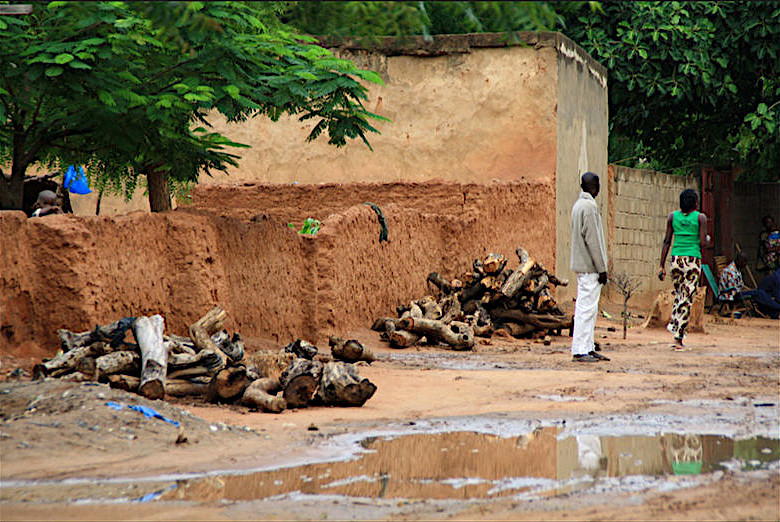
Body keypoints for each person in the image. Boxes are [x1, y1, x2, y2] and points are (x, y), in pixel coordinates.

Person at [658, 188, 710, 350]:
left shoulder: (673, 217)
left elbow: (666, 241)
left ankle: (675, 327)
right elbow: (702, 243)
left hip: (676, 260)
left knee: (680, 295)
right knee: (686, 299)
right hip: (692, 261)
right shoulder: (700, 218)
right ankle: (678, 337)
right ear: (695, 203)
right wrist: (707, 238)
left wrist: (661, 265)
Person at [569, 172, 609, 363]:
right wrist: (602, 268)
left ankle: (588, 346)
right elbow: (593, 241)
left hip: (582, 265)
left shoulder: (578, 205)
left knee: (588, 309)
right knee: (586, 309)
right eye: (598, 183)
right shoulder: (590, 207)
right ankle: (580, 350)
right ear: (593, 186)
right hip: (590, 266)